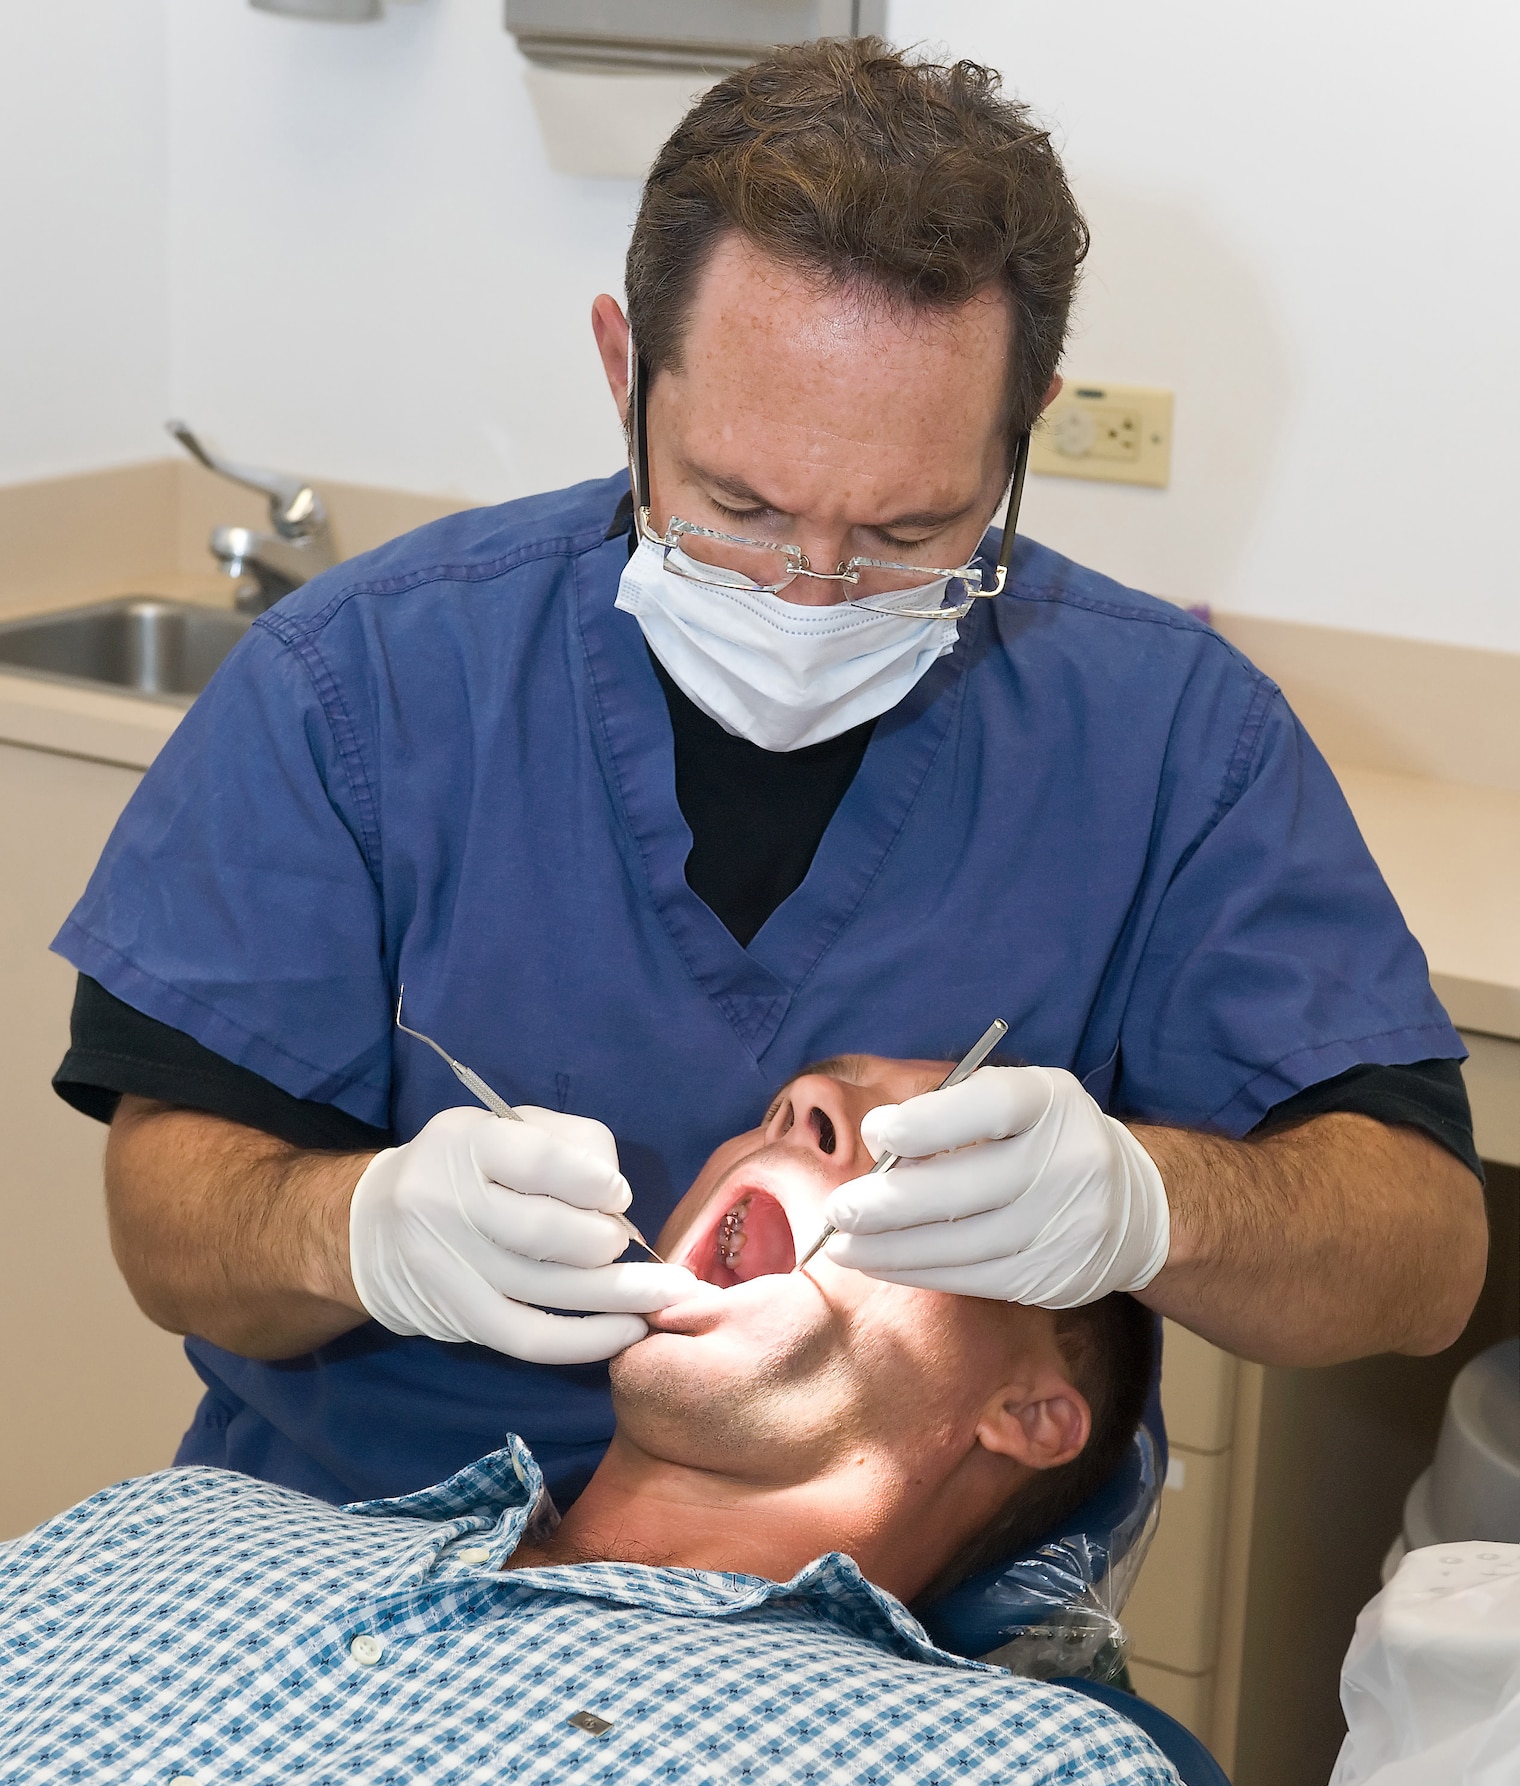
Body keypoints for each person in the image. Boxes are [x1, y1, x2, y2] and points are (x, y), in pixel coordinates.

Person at [52, 40, 1485, 1515]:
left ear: (1025, 425)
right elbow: (171, 1227)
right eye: (740, 507)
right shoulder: (359, 685)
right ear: (624, 368)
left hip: (908, 1641)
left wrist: (1151, 1207)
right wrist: (345, 1230)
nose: (810, 598)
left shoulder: (1172, 743)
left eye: (911, 529)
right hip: (350, 1545)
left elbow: (1422, 1259)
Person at [0, 1057, 1236, 1786]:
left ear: (1029, 1411)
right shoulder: (173, 1532)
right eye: (794, 1102)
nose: (801, 1101)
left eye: (933, 1162)